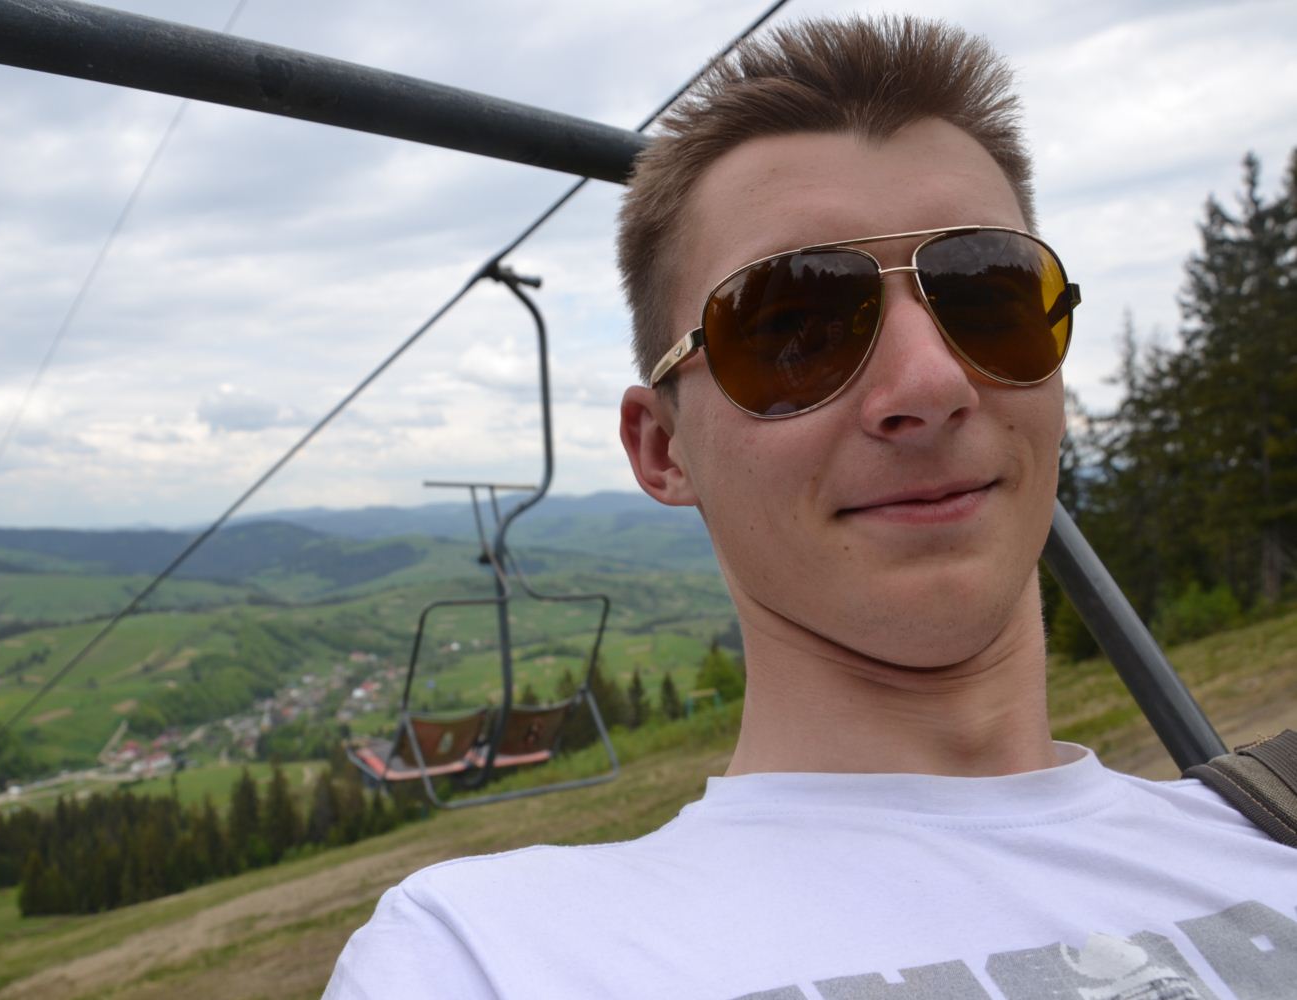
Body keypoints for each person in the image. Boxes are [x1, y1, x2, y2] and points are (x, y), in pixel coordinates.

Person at [324, 16, 1297, 999]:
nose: (931, 383)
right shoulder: (486, 955)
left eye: (988, 299)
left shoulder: (1273, 831)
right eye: (794, 330)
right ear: (661, 448)